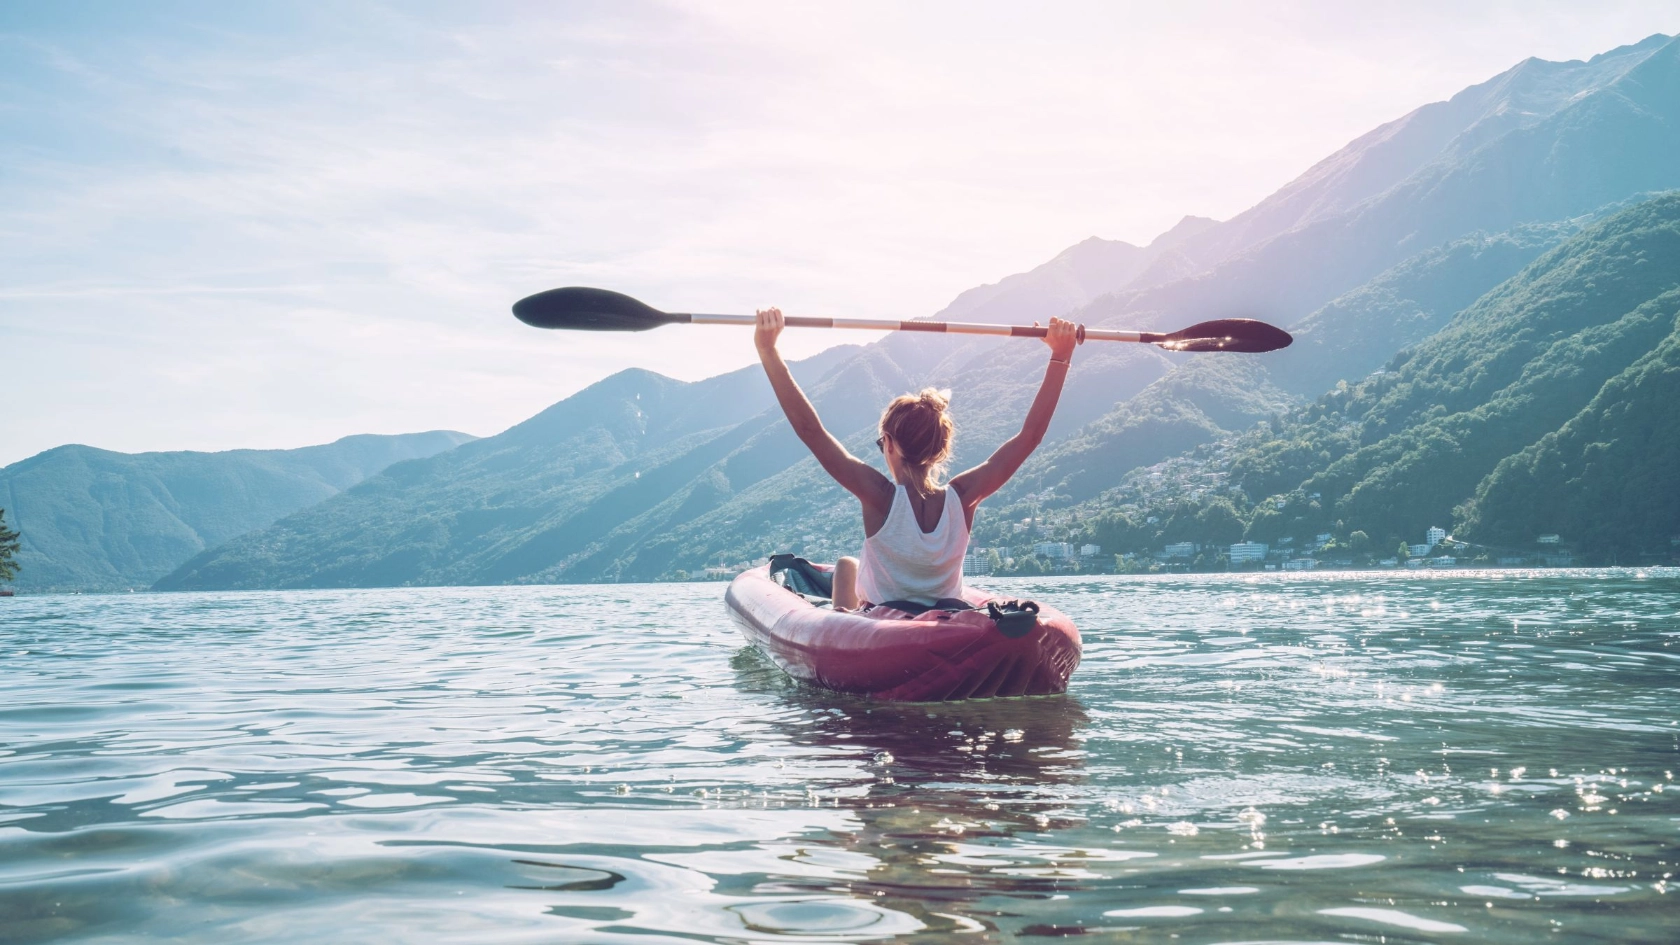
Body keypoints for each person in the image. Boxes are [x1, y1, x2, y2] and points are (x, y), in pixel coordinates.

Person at [754, 306, 1081, 611]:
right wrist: (1061, 356)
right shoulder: (964, 497)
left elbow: (811, 431)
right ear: (939, 448)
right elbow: (1030, 436)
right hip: (947, 621)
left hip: (881, 631)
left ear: (891, 444)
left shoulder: (879, 497)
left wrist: (768, 350)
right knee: (847, 566)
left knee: (845, 565)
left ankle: (835, 628)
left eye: (881, 443)